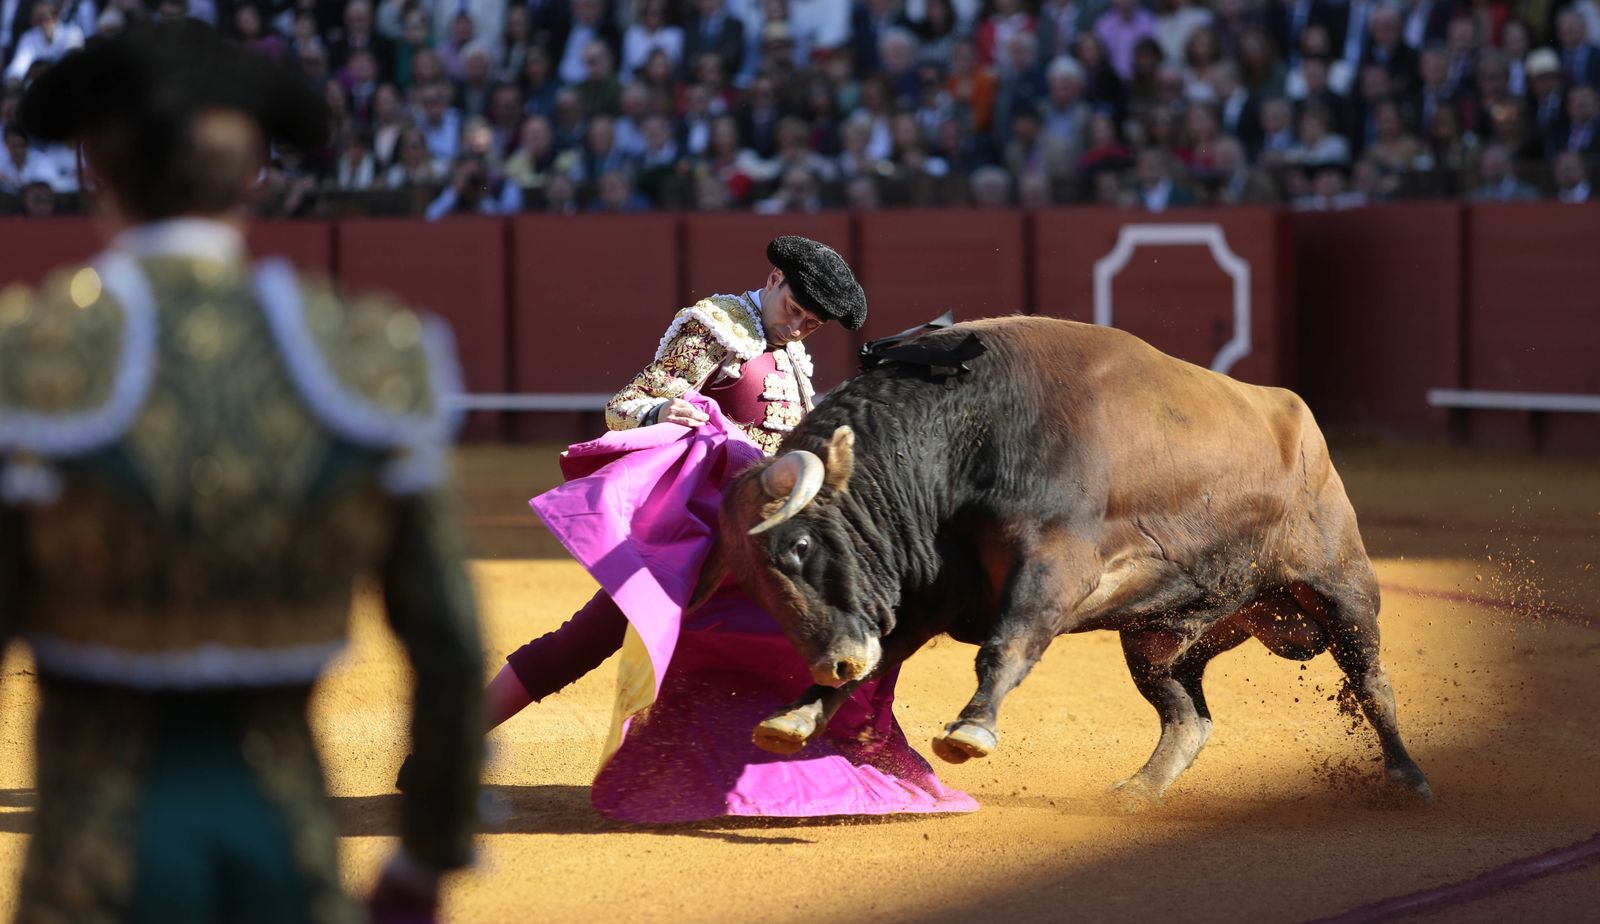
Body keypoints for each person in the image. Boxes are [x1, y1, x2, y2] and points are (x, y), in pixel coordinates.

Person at [1, 20, 485, 921]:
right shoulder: (372, 356)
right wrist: (425, 862)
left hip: (91, 868)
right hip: (283, 853)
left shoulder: (29, 359)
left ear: (95, 163)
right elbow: (450, 648)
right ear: (257, 174)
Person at [403, 236, 974, 823]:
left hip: (761, 545)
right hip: (694, 534)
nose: (802, 325)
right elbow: (628, 402)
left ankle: (849, 762)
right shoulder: (716, 325)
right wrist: (660, 411)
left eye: (814, 321)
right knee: (587, 638)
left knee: (831, 626)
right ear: (774, 277)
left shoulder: (794, 357)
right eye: (796, 308)